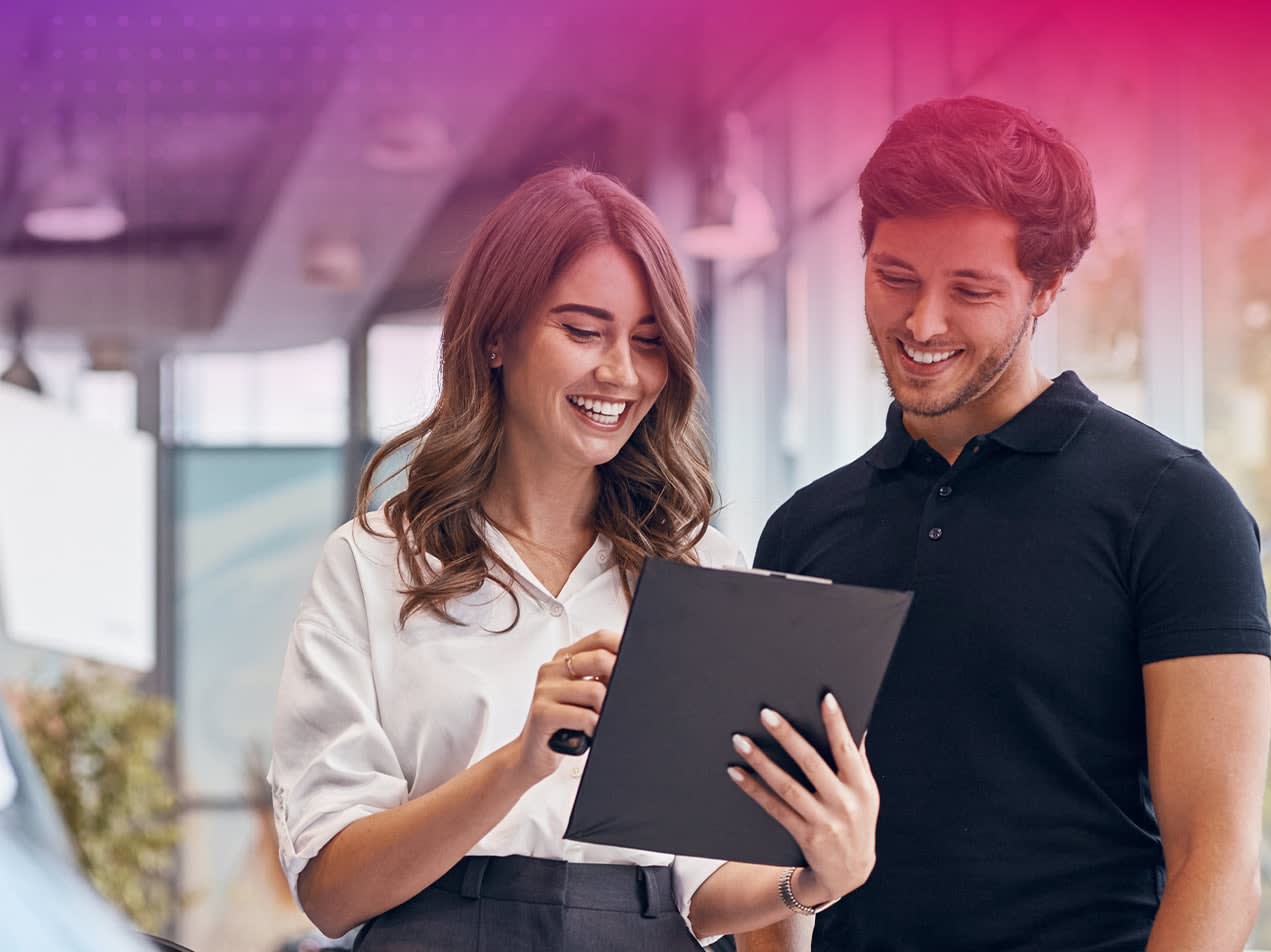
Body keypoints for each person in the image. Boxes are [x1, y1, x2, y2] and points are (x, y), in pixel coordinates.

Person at [267, 167, 879, 951]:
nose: (620, 372)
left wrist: (813, 879)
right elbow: (330, 892)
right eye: (584, 331)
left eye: (648, 341)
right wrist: (519, 764)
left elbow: (695, 897)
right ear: (496, 337)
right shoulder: (375, 564)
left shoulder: (700, 571)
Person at [741, 97, 1271, 951]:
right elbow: (767, 843)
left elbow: (1219, 862)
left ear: (1047, 288)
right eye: (895, 278)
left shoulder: (1173, 507)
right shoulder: (804, 531)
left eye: (971, 291)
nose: (922, 324)